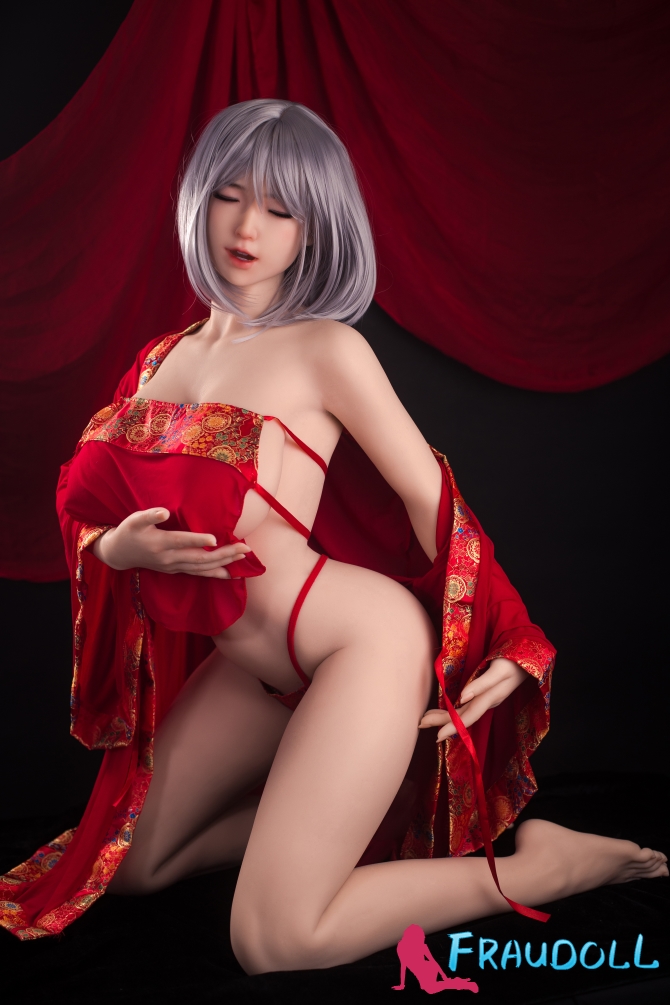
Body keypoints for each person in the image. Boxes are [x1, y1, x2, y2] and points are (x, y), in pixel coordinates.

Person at [1, 100, 666, 967]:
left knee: (271, 938)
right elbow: (84, 502)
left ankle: (542, 867)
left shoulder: (326, 349)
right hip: (254, 668)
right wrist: (114, 549)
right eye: (229, 195)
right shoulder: (162, 359)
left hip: (358, 644)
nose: (248, 227)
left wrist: (510, 633)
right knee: (125, 862)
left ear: (314, 229)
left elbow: (430, 500)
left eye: (282, 209)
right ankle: (327, 837)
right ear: (197, 199)